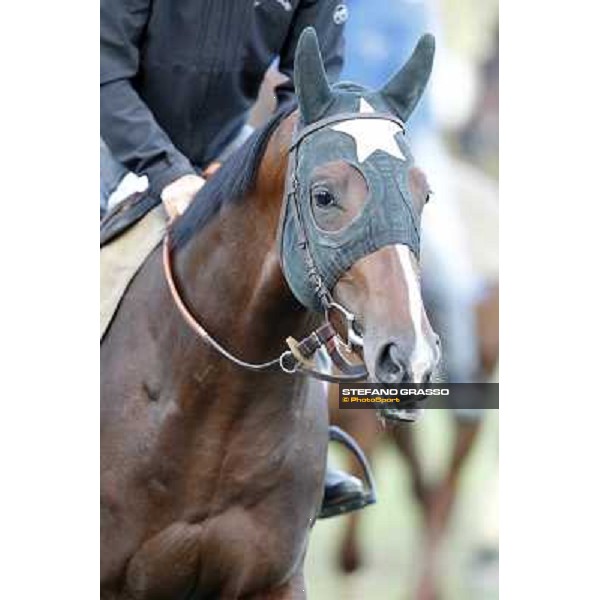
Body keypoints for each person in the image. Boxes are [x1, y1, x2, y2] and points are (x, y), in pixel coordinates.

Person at [101, 0, 371, 518]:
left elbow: (310, 92)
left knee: (302, 245)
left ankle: (307, 447)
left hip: (226, 145)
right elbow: (102, 71)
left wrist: (253, 163)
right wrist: (168, 171)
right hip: (109, 137)